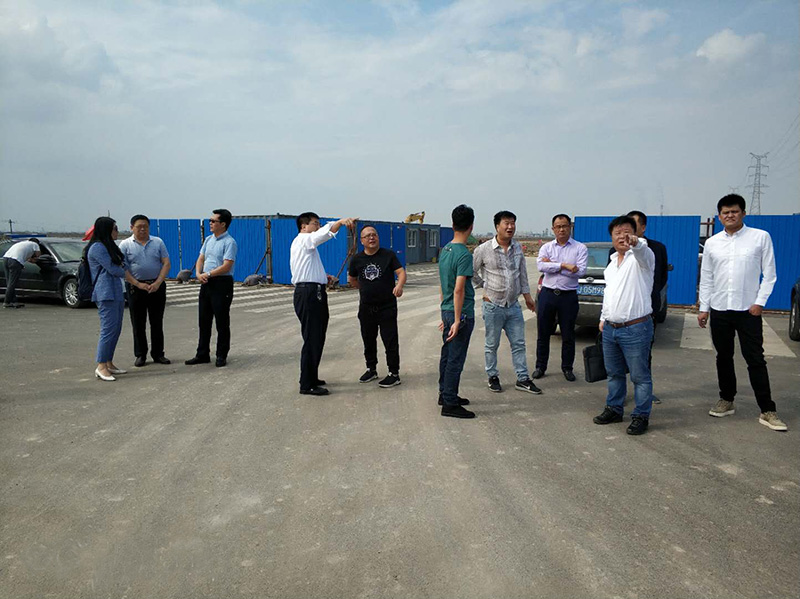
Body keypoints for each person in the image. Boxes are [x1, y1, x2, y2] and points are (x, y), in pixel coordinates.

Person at [698, 194, 786, 432]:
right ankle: (726, 399)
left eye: (734, 211)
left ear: (743, 213)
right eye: (725, 212)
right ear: (719, 217)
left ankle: (767, 410)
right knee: (723, 357)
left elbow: (770, 274)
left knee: (755, 358)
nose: (730, 215)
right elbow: (707, 277)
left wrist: (760, 302)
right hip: (719, 309)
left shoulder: (760, 237)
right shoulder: (712, 243)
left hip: (749, 310)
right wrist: (704, 308)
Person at [593, 215, 655, 436]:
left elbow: (642, 250)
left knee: (639, 376)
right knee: (614, 373)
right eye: (617, 233)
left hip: (635, 328)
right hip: (611, 328)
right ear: (611, 237)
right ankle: (614, 408)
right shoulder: (611, 264)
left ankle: (641, 416)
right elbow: (609, 294)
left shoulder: (642, 258)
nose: (622, 237)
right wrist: (603, 318)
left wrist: (636, 243)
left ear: (636, 234)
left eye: (627, 232)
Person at [472, 211, 541, 395]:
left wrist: (527, 296)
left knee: (519, 344)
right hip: (493, 306)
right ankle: (492, 376)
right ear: (497, 226)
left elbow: (522, 273)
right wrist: (484, 285)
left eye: (513, 223)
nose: (510, 227)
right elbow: (471, 271)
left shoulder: (517, 247)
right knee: (491, 344)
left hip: (513, 306)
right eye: (506, 223)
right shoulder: (484, 249)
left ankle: (523, 379)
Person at [291, 212, 358, 396]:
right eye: (315, 223)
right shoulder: (304, 239)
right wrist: (340, 222)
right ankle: (307, 384)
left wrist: (323, 277)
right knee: (312, 337)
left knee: (318, 335)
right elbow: (323, 235)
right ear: (304, 226)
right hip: (309, 293)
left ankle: (311, 376)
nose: (318, 227)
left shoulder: (306, 246)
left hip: (314, 290)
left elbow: (308, 269)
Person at [348, 225, 407, 388]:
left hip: (387, 306)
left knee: (390, 340)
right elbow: (352, 279)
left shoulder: (388, 255)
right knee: (368, 339)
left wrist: (399, 285)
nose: (371, 238)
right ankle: (371, 369)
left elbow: (401, 272)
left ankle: (394, 373)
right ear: (362, 241)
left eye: (374, 235)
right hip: (366, 307)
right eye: (367, 236)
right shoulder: (357, 259)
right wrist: (365, 289)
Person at [534, 214, 588, 382]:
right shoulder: (547, 247)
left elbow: (580, 271)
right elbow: (540, 266)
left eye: (564, 226)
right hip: (548, 294)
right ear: (553, 229)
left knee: (568, 334)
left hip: (568, 296)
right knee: (543, 333)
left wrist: (552, 265)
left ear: (570, 227)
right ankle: (540, 366)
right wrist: (564, 266)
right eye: (558, 227)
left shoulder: (580, 248)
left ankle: (567, 368)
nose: (561, 229)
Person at [185, 209, 237, 368]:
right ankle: (202, 354)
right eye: (210, 220)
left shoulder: (229, 242)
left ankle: (221, 355)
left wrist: (207, 274)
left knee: (222, 321)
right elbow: (201, 258)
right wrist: (198, 273)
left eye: (214, 221)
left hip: (221, 283)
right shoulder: (208, 239)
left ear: (223, 224)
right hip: (206, 282)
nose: (210, 223)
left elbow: (227, 265)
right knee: (204, 320)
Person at [438, 204, 477, 419]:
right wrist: (456, 319)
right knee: (455, 358)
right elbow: (459, 289)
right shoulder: (464, 255)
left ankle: (445, 394)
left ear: (453, 225)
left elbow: (443, 284)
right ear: (471, 227)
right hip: (460, 313)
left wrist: (445, 314)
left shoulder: (445, 250)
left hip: (447, 309)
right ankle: (450, 403)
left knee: (447, 355)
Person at [627, 210, 668, 404]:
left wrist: (646, 296)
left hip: (646, 310)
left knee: (644, 354)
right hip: (623, 311)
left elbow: (661, 277)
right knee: (619, 356)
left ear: (643, 227)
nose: (629, 230)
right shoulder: (616, 250)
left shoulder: (657, 248)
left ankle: (644, 392)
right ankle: (620, 393)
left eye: (634, 225)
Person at [119, 215, 171, 367]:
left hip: (156, 286)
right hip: (135, 288)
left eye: (145, 226)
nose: (142, 229)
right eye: (139, 226)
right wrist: (137, 283)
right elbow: (123, 268)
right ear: (131, 228)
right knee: (138, 323)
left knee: (157, 322)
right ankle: (141, 354)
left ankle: (158, 354)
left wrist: (158, 282)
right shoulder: (125, 245)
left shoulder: (158, 242)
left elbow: (166, 263)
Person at [86, 217, 129, 382]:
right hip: (105, 293)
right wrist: (123, 269)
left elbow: (123, 265)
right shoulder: (97, 248)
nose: (117, 231)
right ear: (106, 230)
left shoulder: (110, 246)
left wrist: (122, 267)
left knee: (116, 329)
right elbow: (114, 269)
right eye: (115, 228)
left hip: (116, 292)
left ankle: (109, 362)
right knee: (108, 329)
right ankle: (101, 365)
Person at [3, 238, 41, 308]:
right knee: (12, 283)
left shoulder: (23, 243)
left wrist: (30, 258)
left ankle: (14, 301)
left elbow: (27, 258)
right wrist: (35, 258)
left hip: (5, 259)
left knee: (9, 282)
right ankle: (6, 302)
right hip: (15, 261)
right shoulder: (35, 244)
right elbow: (38, 255)